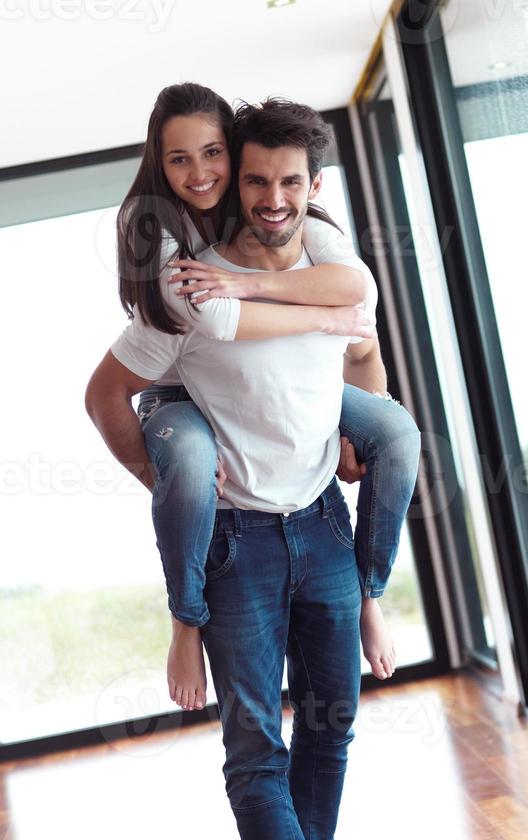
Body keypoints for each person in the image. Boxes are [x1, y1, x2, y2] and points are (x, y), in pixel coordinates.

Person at [87, 95, 409, 840]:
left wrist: (358, 379)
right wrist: (163, 480)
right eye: (252, 176)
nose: (265, 194)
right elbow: (106, 395)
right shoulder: (187, 284)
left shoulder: (322, 252)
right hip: (238, 545)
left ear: (306, 184)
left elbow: (362, 334)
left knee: (333, 721)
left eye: (281, 179)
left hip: (321, 522)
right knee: (258, 744)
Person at [87, 82, 421, 718]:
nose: (200, 172)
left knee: (399, 433)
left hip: (262, 377)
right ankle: (187, 620)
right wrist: (155, 479)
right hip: (178, 391)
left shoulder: (284, 213)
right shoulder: (157, 233)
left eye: (213, 153)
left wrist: (254, 284)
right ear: (158, 162)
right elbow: (215, 323)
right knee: (185, 467)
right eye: (179, 159)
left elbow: (358, 290)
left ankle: (371, 594)